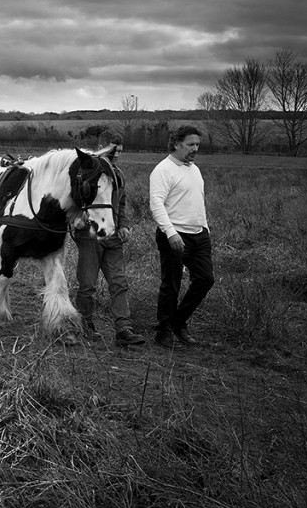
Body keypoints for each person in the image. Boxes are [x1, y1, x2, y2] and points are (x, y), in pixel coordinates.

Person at [73, 132, 145, 347]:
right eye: (114, 150)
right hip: (90, 235)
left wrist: (124, 225)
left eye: (121, 151)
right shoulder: (83, 171)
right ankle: (85, 324)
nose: (117, 155)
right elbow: (72, 201)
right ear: (101, 146)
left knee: (119, 282)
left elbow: (120, 204)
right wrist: (77, 218)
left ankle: (124, 329)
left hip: (113, 236)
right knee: (87, 284)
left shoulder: (117, 174)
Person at [149, 125, 215, 347]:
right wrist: (171, 233)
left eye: (197, 144)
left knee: (206, 280)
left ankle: (178, 322)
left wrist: (205, 228)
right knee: (172, 285)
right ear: (177, 144)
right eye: (190, 144)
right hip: (174, 236)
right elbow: (156, 204)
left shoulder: (194, 169)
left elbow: (199, 201)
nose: (195, 149)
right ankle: (163, 331)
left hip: (199, 235)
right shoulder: (163, 170)